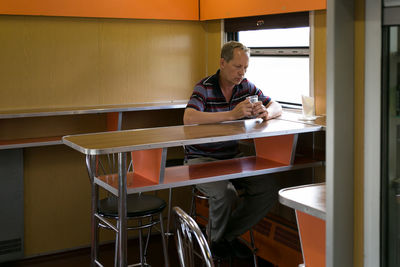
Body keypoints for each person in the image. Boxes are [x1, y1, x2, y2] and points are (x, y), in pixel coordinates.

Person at [183, 41, 282, 259]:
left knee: (268, 188)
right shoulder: (205, 87)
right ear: (222, 63)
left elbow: (277, 106)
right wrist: (232, 115)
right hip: (200, 159)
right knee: (225, 194)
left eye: (245, 68)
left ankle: (223, 237)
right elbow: (189, 118)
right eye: (238, 67)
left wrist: (266, 112)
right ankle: (216, 244)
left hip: (232, 158)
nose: (242, 73)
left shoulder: (245, 87)